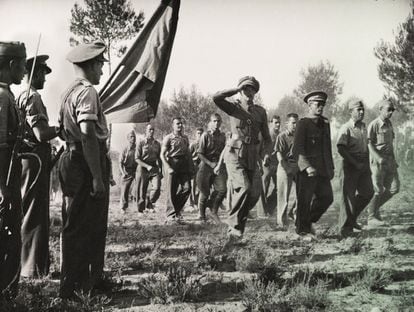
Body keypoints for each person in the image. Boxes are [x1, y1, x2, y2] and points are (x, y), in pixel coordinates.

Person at [58, 42, 110, 298]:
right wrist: (98, 178)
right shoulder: (87, 92)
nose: (102, 70)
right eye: (100, 64)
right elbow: (88, 135)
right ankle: (80, 287)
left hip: (74, 158)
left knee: (77, 224)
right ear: (91, 64)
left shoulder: (69, 91)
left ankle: (79, 282)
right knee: (86, 225)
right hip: (85, 161)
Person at [213, 76, 271, 238]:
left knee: (254, 194)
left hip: (252, 154)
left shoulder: (260, 112)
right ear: (240, 90)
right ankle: (234, 229)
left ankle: (237, 225)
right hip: (234, 154)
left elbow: (267, 138)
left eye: (252, 89)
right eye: (245, 88)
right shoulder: (234, 107)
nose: (249, 92)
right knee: (244, 187)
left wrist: (266, 154)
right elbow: (216, 97)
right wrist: (235, 90)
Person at [17, 54, 60, 278]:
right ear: (33, 74)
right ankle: (31, 269)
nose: (45, 77)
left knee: (31, 212)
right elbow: (41, 134)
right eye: (43, 72)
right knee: (34, 213)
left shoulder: (22, 96)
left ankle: (32, 266)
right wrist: (61, 128)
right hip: (34, 161)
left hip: (30, 161)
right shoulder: (32, 97)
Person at [0, 41, 26, 296]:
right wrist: (3, 189)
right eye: (22, 64)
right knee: (7, 237)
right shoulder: (1, 96)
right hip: (4, 182)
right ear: (11, 64)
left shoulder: (8, 95)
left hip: (10, 178)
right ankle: (7, 294)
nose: (25, 71)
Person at [293, 91, 334, 237]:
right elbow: (297, 149)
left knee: (327, 197)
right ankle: (302, 231)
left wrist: (330, 168)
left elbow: (327, 147)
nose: (321, 107)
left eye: (322, 104)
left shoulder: (325, 123)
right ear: (309, 105)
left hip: (322, 169)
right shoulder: (303, 123)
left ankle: (307, 221)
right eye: (318, 104)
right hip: (306, 170)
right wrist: (307, 166)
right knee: (304, 200)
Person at [336, 100, 373, 238]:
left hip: (363, 165)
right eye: (358, 109)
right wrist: (354, 163)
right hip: (350, 165)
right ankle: (345, 230)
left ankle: (351, 219)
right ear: (350, 112)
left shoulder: (364, 127)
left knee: (368, 192)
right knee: (348, 197)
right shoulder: (345, 127)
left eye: (362, 109)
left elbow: (367, 147)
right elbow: (341, 148)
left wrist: (367, 166)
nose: (362, 112)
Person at [366, 99, 400, 228]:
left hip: (390, 160)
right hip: (378, 161)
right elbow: (369, 143)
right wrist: (378, 157)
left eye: (392, 110)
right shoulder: (374, 125)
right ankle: (371, 217)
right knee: (378, 189)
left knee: (394, 188)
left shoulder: (389, 123)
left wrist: (394, 161)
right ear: (380, 109)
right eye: (388, 109)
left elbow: (391, 144)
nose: (391, 112)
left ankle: (374, 210)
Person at [161, 117, 193, 223]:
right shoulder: (168, 138)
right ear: (173, 126)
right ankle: (170, 215)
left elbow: (188, 154)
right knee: (171, 191)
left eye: (181, 124)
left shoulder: (185, 138)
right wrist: (168, 167)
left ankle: (176, 210)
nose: (180, 126)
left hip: (183, 164)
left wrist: (191, 168)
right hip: (172, 163)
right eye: (177, 124)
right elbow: (162, 155)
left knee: (187, 188)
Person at [196, 113, 227, 223]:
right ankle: (202, 216)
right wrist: (210, 163)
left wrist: (219, 164)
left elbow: (224, 151)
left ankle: (213, 210)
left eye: (218, 121)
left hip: (218, 165)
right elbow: (199, 153)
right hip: (206, 165)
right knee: (204, 192)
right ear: (210, 122)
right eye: (214, 121)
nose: (216, 123)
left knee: (222, 189)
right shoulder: (205, 135)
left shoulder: (223, 136)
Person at [275, 113, 299, 229]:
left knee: (303, 191)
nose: (295, 125)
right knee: (283, 195)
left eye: (297, 123)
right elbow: (279, 155)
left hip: (297, 165)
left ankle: (294, 213)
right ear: (287, 123)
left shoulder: (299, 136)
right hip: (284, 165)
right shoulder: (281, 136)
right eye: (293, 123)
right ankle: (281, 222)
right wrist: (286, 168)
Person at [135, 124, 162, 212]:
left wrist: (160, 169)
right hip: (143, 166)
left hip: (154, 166)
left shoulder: (157, 143)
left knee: (157, 188)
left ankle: (149, 202)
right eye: (150, 129)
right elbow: (137, 158)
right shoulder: (141, 142)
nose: (151, 131)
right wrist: (147, 166)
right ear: (146, 131)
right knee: (142, 189)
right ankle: (140, 210)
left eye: (153, 130)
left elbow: (159, 157)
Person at [261, 115, 281, 216]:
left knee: (279, 187)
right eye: (275, 122)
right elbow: (261, 147)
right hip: (267, 164)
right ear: (270, 123)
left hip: (277, 164)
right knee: (265, 187)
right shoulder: (266, 134)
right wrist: (264, 157)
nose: (277, 124)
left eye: (279, 122)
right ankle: (263, 212)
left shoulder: (280, 134)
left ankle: (269, 206)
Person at [119, 130, 137, 212]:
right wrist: (123, 173)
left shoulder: (137, 148)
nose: (133, 138)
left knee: (139, 187)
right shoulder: (125, 149)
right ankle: (123, 207)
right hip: (126, 171)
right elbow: (120, 163)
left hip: (135, 170)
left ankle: (140, 206)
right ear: (128, 139)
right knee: (125, 189)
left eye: (134, 137)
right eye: (131, 137)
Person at [189, 127, 203, 208]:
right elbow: (189, 156)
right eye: (198, 133)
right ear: (195, 135)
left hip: (201, 165)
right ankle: (192, 203)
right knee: (193, 184)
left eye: (201, 133)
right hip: (194, 165)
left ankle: (198, 201)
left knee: (201, 184)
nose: (199, 135)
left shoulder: (204, 144)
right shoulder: (193, 144)